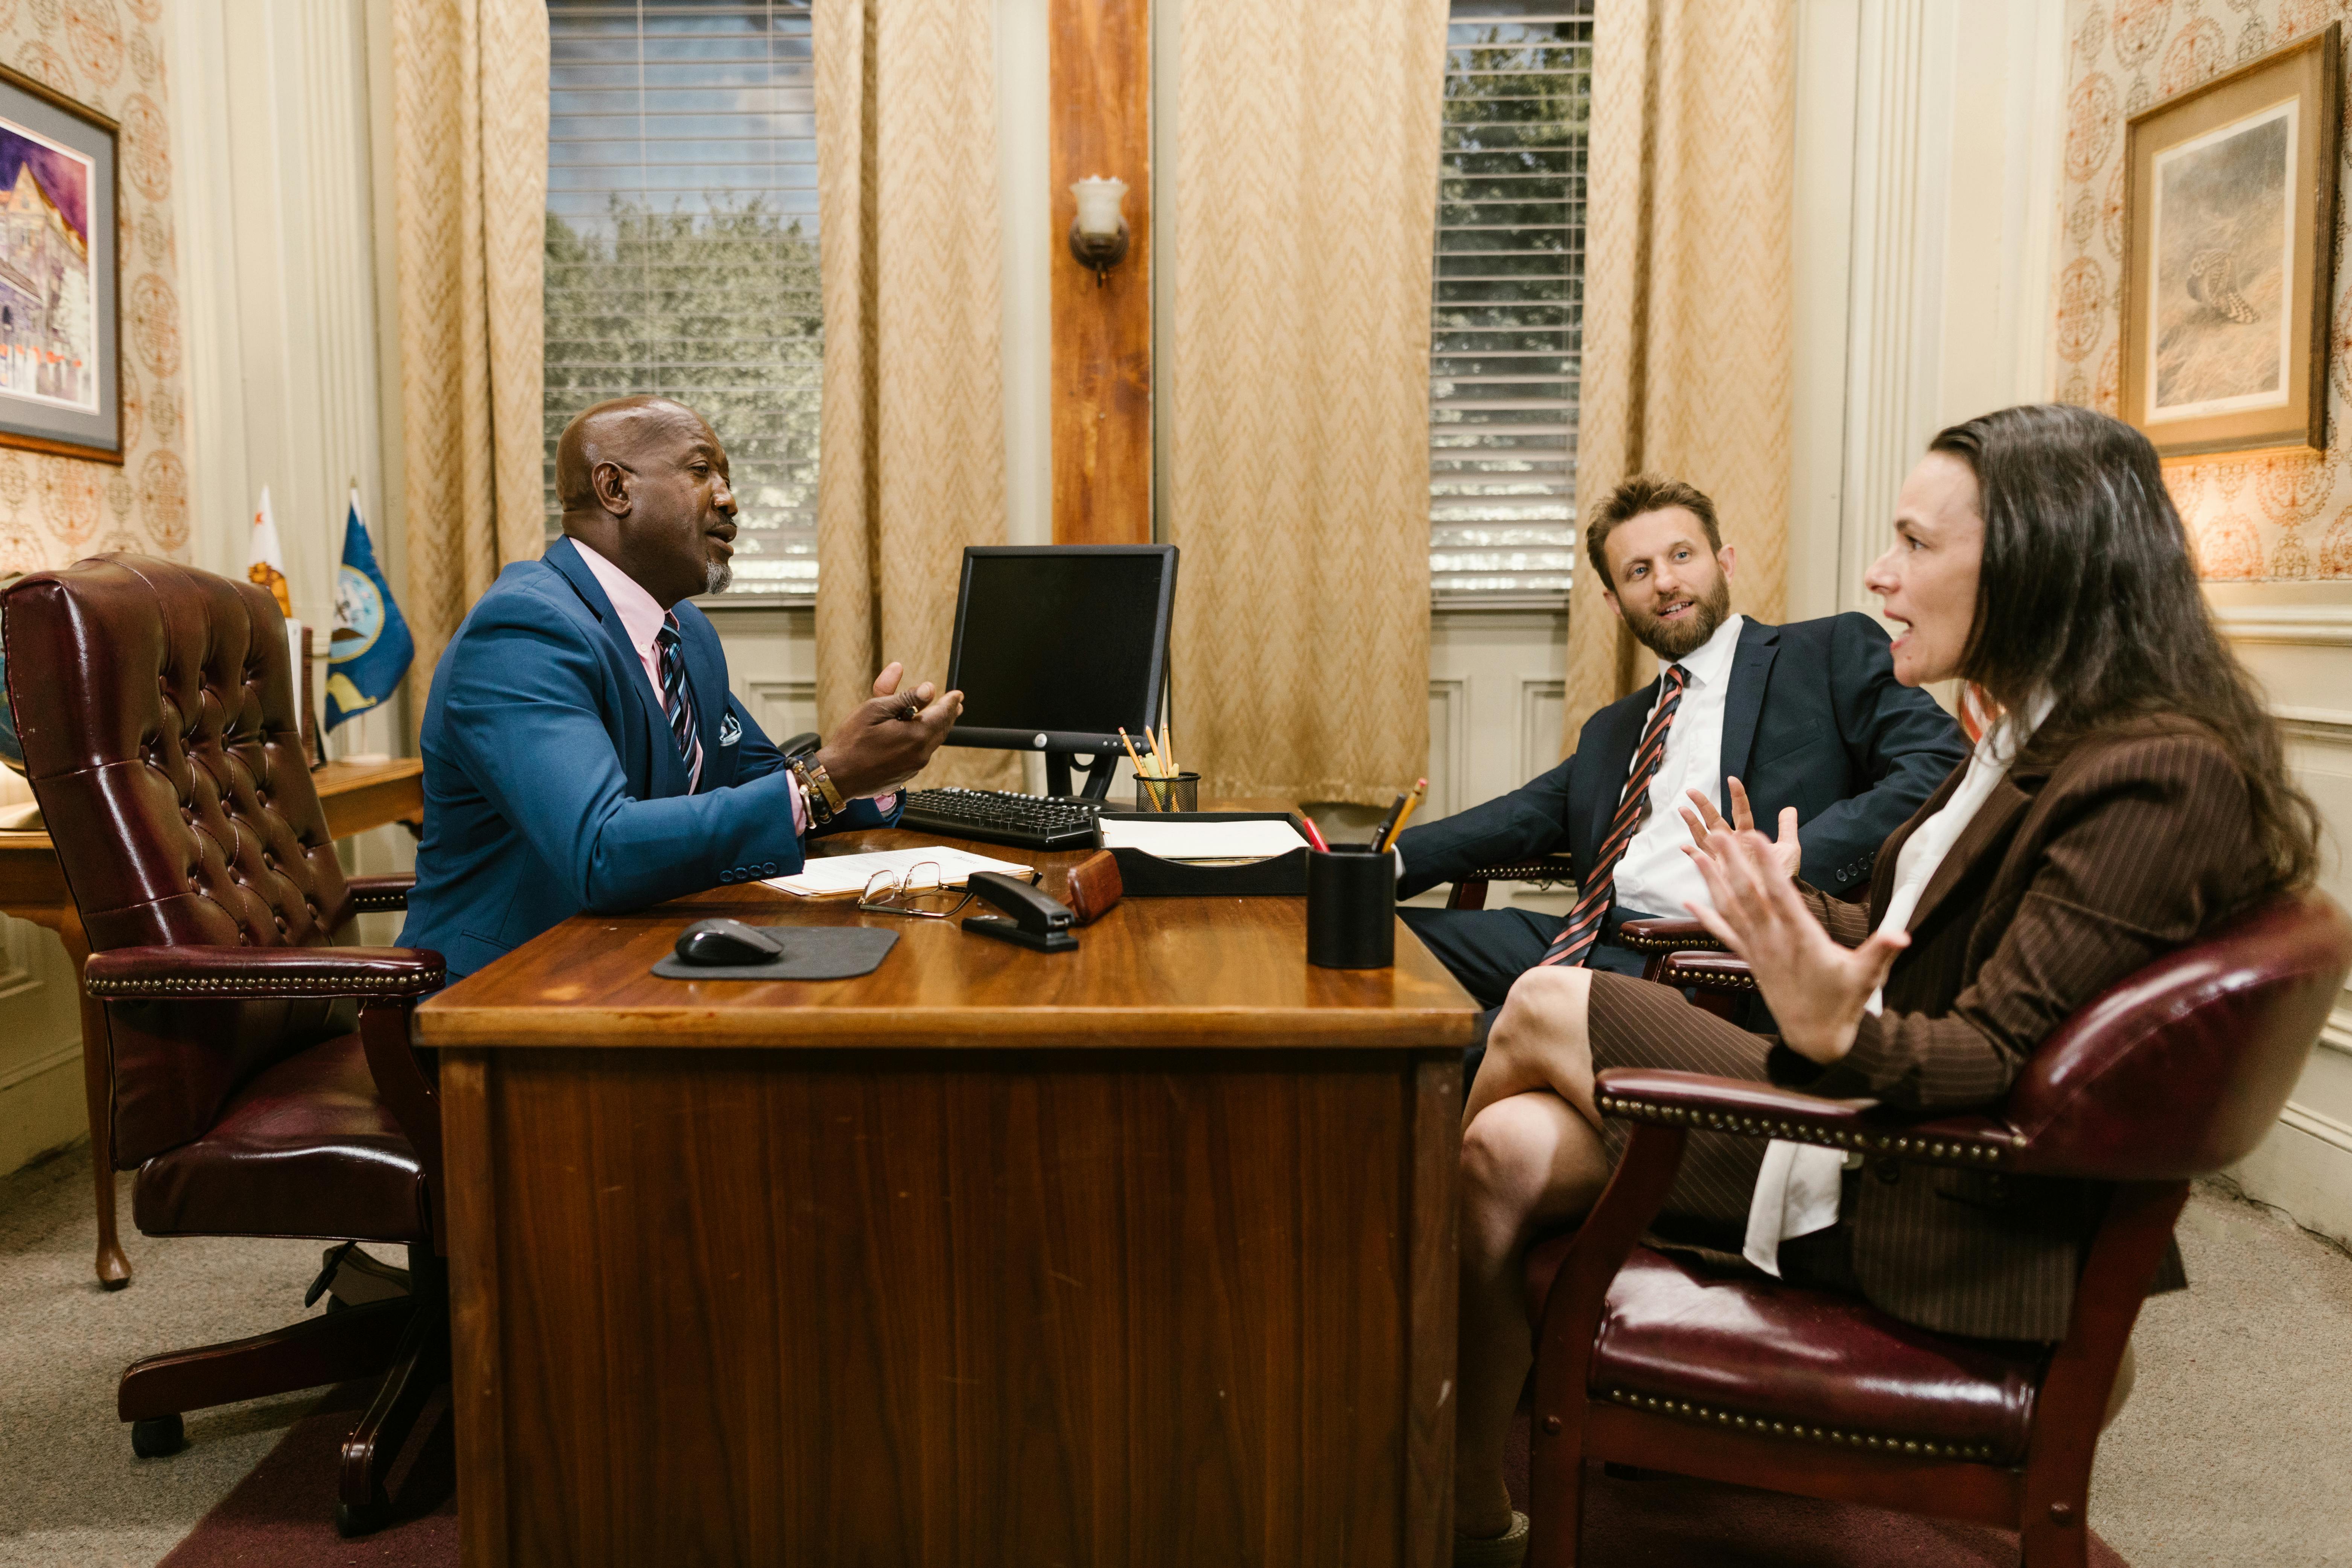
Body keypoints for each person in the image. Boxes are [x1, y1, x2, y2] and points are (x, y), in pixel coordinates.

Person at [1447, 404, 2323, 1563]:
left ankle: (1401, 1405)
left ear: (2035, 560)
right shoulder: (2041, 737)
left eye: (1914, 541)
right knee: (1503, 1146)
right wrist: (1792, 913)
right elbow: (1925, 934)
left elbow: (1988, 1062)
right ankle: (1456, 1481)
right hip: (1880, 1139)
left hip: (1921, 1195)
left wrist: (1824, 1017)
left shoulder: (2152, 771)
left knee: (1543, 1000)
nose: (1878, 569)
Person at [400, 396, 961, 983]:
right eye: (701, 471)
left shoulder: (684, 630)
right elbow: (600, 849)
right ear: (615, 488)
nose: (729, 498)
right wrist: (830, 777)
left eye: (726, 477)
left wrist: (877, 778)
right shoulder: (522, 632)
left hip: (632, 958)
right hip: (504, 993)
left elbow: (759, 781)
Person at [1396, 473, 1965, 1021]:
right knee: (1357, 934)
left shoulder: (1824, 651)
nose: (1664, 581)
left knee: (1465, 1051)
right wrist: (1363, 864)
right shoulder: (1611, 728)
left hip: (1709, 963)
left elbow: (1940, 765)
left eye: (1681, 556)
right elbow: (1512, 818)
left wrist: (1781, 864)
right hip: (1590, 935)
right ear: (1616, 602)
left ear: (1725, 563)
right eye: (1638, 571)